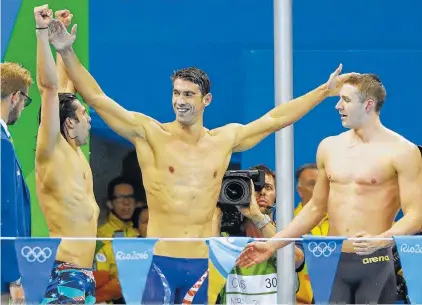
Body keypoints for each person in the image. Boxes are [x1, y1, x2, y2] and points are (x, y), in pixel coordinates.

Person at [47, 17, 354, 304]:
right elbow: (98, 98)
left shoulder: (224, 140)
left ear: (206, 100)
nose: (180, 101)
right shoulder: (149, 133)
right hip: (158, 261)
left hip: (200, 263)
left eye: (189, 95)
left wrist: (323, 92)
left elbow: (275, 119)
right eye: (176, 93)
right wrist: (66, 52)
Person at [236, 73, 422, 304]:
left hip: (376, 262)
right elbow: (315, 208)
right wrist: (272, 244)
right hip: (334, 264)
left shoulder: (403, 152)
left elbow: (416, 216)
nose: (337, 105)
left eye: (345, 100)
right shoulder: (330, 147)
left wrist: (381, 240)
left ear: (368, 105)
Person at [33, 6, 98, 304]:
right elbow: (49, 89)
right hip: (63, 273)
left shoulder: (76, 152)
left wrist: (62, 49)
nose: (89, 119)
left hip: (86, 273)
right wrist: (42, 33)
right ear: (69, 122)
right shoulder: (52, 150)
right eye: (85, 115)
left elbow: (63, 89)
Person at [216, 165, 305, 305]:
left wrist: (257, 217)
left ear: (276, 196)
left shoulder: (288, 232)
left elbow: (295, 258)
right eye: (256, 188)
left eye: (268, 187)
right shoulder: (225, 236)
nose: (262, 192)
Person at [0, 60, 33, 304]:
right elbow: (5, 212)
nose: (23, 108)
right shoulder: (2, 143)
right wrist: (14, 277)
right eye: (25, 101)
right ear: (15, 97)